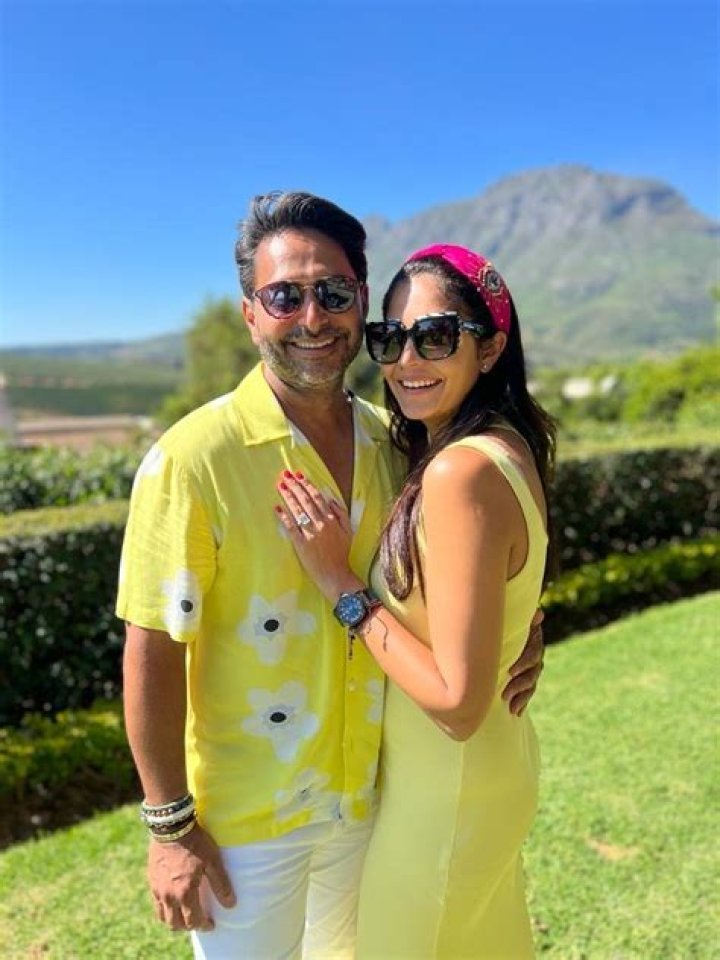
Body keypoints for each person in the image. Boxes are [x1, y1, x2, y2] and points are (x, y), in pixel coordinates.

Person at [117, 194, 545, 960]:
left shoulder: (395, 444)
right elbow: (152, 645)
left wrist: (522, 626)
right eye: (285, 296)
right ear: (251, 314)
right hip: (247, 828)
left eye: (335, 293)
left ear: (360, 301)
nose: (312, 317)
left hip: (370, 805)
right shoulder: (194, 458)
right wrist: (170, 828)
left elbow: (464, 563)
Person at [275, 242, 555, 958]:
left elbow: (457, 704)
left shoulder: (458, 473)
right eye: (389, 338)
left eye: (434, 336)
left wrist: (341, 585)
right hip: (481, 773)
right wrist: (524, 627)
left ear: (489, 349)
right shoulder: (504, 447)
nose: (405, 361)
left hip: (447, 792)